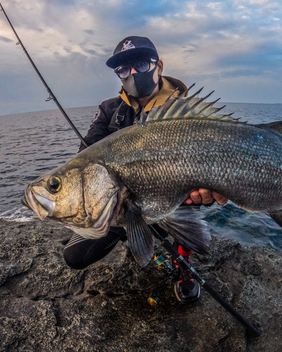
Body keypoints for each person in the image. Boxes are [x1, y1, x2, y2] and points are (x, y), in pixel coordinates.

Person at [63, 36, 228, 303]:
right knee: (74, 256)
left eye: (140, 64)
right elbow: (85, 159)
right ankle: (131, 235)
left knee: (189, 194)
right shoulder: (109, 110)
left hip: (173, 202)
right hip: (122, 205)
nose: (132, 74)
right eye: (123, 70)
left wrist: (211, 191)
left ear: (158, 66)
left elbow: (213, 162)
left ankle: (182, 262)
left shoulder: (184, 111)